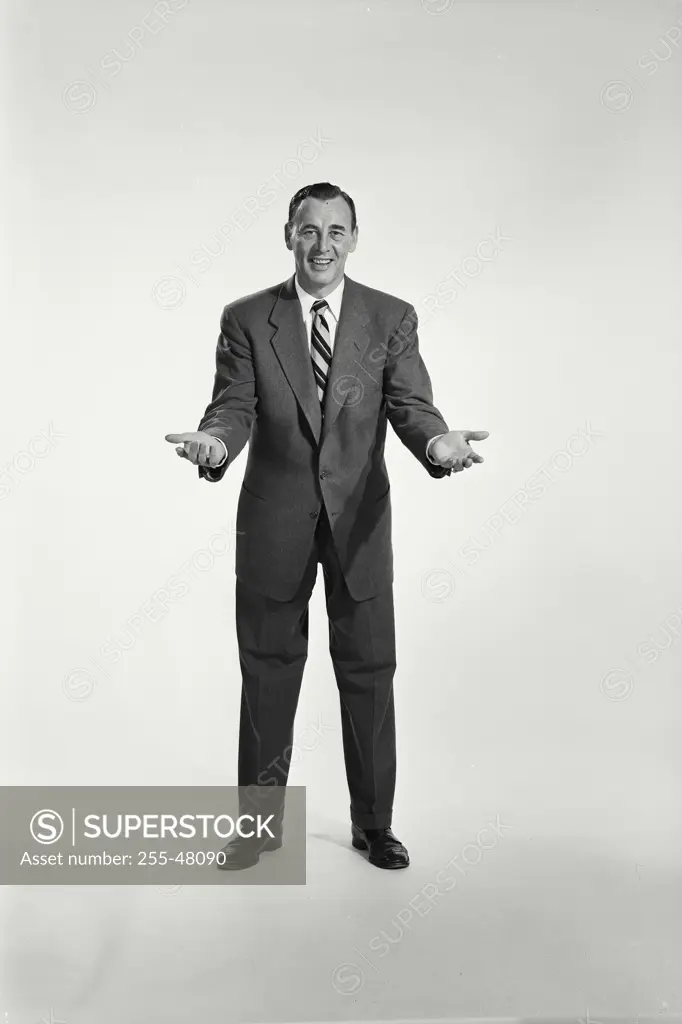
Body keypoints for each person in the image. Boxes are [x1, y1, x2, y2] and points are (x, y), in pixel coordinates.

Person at [165, 182, 488, 870]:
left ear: (354, 237)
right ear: (287, 235)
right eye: (308, 230)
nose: (321, 245)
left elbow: (409, 403)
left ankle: (374, 826)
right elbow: (233, 406)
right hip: (274, 525)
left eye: (336, 231)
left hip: (360, 527)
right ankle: (257, 833)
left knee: (370, 674)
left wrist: (436, 445)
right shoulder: (248, 318)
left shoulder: (390, 317)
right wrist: (215, 444)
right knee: (268, 673)